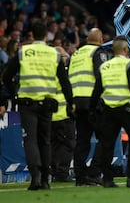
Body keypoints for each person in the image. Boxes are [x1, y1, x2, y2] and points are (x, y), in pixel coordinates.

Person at [0, 21, 73, 190]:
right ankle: (46, 181)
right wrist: (71, 102)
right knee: (45, 141)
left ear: (31, 34)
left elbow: (6, 77)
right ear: (45, 35)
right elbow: (64, 82)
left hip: (28, 103)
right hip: (47, 104)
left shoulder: (23, 52)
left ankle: (36, 179)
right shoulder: (54, 54)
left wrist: (14, 93)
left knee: (30, 140)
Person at [90, 35, 130, 188]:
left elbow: (97, 91)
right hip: (126, 109)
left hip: (108, 110)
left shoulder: (104, 66)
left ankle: (108, 179)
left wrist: (93, 110)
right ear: (125, 49)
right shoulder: (129, 64)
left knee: (107, 144)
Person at [68, 27, 110, 186]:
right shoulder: (99, 52)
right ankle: (93, 173)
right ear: (101, 41)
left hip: (77, 102)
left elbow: (68, 78)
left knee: (82, 141)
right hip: (93, 101)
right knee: (106, 137)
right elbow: (102, 76)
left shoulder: (76, 54)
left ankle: (80, 177)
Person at [50, 46, 75, 182]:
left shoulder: (46, 74)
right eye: (65, 57)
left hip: (50, 116)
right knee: (67, 145)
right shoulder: (65, 72)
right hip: (63, 114)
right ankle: (62, 173)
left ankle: (54, 172)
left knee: (53, 145)